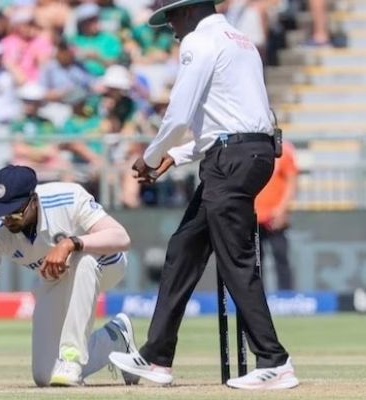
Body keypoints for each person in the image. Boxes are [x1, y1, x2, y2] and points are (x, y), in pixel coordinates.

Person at [107, 0, 300, 390]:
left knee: (235, 261)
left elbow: (180, 114)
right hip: (249, 153)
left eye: (171, 18)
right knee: (184, 249)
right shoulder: (241, 41)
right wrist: (175, 156)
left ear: (189, 11)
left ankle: (274, 361)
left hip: (230, 161)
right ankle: (157, 357)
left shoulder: (198, 41)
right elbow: (227, 122)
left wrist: (150, 157)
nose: (171, 29)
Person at [0, 165, 139, 387]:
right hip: (55, 278)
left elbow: (121, 237)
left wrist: (70, 243)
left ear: (33, 200)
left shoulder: (67, 197)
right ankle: (115, 338)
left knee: (83, 261)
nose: (7, 219)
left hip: (106, 264)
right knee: (45, 376)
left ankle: (71, 358)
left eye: (14, 212)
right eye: (2, 212)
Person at [255, 141, 298, 290]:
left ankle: (286, 296)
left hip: (275, 216)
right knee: (255, 262)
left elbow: (292, 182)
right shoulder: (250, 148)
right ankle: (256, 296)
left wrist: (281, 210)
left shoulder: (283, 150)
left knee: (281, 257)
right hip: (253, 216)